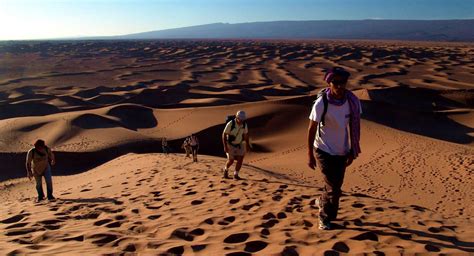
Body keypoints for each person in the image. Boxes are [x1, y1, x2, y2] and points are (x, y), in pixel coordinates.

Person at [307, 67, 362, 230]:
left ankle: (321, 202)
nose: (339, 86)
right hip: (323, 149)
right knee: (334, 187)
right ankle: (324, 217)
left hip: (342, 150)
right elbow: (311, 129)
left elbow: (354, 126)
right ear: (329, 83)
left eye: (342, 82)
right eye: (335, 82)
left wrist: (352, 150)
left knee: (335, 185)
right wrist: (310, 154)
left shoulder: (352, 102)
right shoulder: (321, 103)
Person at [222, 110, 250, 180]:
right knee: (231, 160)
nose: (241, 121)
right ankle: (226, 170)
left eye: (243, 119)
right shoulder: (230, 124)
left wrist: (247, 144)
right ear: (237, 117)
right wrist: (225, 146)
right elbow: (224, 134)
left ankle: (236, 174)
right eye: (240, 119)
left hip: (239, 144)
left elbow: (246, 135)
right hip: (230, 144)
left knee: (240, 159)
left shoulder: (244, 124)